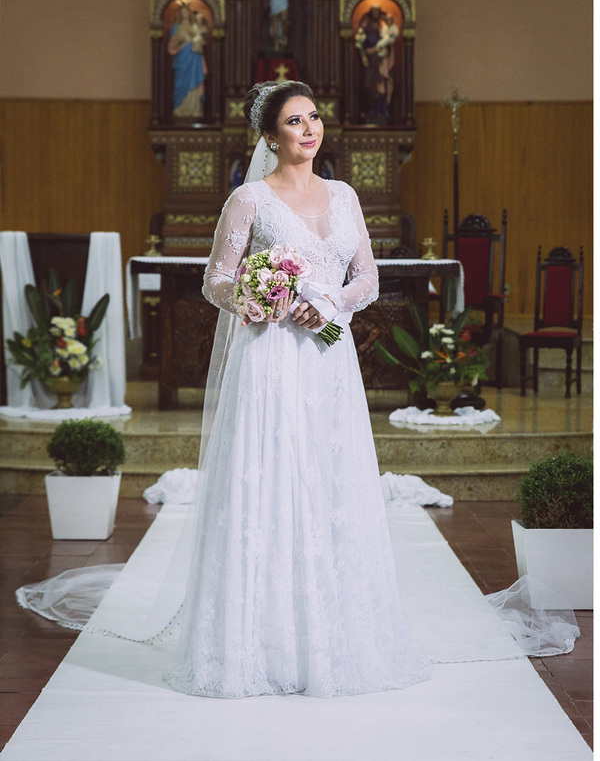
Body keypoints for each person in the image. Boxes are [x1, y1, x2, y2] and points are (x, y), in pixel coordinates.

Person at [165, 79, 432, 697]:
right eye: (294, 121)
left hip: (328, 359)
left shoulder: (344, 195)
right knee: (273, 479)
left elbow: (367, 277)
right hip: (269, 359)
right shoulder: (249, 200)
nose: (310, 129)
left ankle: (335, 632)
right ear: (269, 135)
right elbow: (214, 281)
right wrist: (260, 296)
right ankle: (262, 641)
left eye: (314, 117)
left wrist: (330, 302)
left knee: (330, 477)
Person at [167, 0, 208, 118]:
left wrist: (198, 43)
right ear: (179, 14)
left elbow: (201, 40)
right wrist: (181, 45)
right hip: (182, 58)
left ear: (189, 13)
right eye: (182, 12)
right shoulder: (176, 27)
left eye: (186, 12)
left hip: (194, 58)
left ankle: (195, 109)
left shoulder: (194, 27)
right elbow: (172, 45)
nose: (184, 14)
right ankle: (180, 108)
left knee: (194, 82)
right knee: (181, 83)